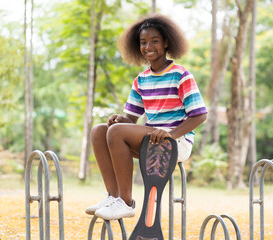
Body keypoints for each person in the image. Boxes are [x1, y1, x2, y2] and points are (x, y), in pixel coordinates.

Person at [85, 13, 207, 221]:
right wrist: (118, 119)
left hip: (176, 141)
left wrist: (170, 133)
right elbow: (130, 121)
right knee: (99, 130)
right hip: (149, 140)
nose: (148, 46)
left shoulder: (180, 74)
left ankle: (126, 202)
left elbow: (200, 115)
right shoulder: (141, 80)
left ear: (166, 42)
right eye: (143, 42)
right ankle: (113, 197)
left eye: (154, 41)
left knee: (115, 131)